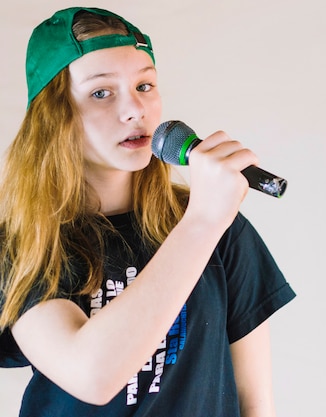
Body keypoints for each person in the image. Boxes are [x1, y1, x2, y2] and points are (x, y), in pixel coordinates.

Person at [0, 7, 296, 417]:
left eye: (144, 85)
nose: (135, 109)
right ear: (55, 117)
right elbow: (92, 376)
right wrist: (203, 221)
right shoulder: (23, 242)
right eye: (102, 92)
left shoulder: (221, 228)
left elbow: (254, 402)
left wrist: (208, 221)